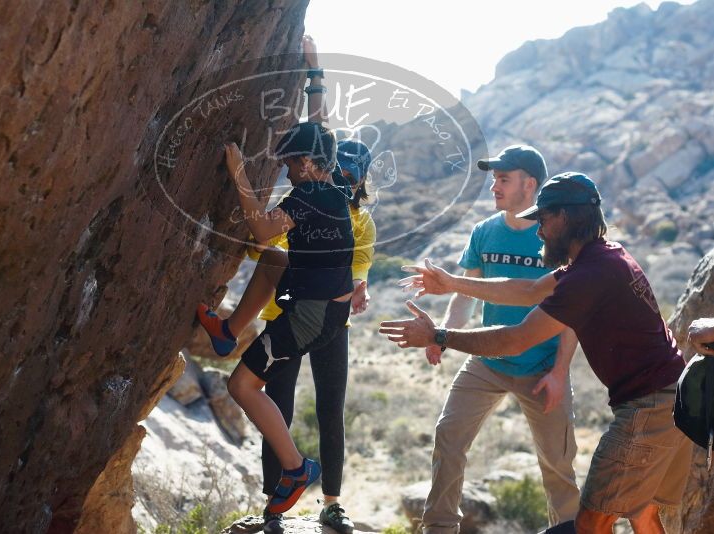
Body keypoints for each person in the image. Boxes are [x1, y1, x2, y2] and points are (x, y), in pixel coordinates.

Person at [380, 172, 693, 534]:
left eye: (543, 219)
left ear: (566, 217)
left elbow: (514, 340)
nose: (539, 231)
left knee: (589, 523)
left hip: (648, 410)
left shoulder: (589, 275)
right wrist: (451, 283)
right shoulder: (604, 257)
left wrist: (438, 335)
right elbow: (528, 290)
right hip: (672, 402)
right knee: (642, 514)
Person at [197, 37, 374, 532]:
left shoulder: (307, 198)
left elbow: (260, 227)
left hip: (309, 318)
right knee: (275, 261)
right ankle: (228, 330)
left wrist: (238, 174)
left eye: (293, 164)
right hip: (321, 310)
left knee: (242, 384)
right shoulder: (333, 183)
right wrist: (315, 72)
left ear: (311, 166)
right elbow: (318, 127)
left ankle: (296, 470)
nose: (288, 170)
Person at [416, 146, 580, 534]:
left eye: (503, 178)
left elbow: (574, 312)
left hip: (542, 366)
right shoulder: (484, 231)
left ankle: (571, 529)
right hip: (487, 361)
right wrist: (444, 335)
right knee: (449, 436)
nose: (494, 186)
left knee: (557, 463)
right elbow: (465, 292)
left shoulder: (556, 238)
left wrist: (559, 372)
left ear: (530, 184)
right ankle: (439, 528)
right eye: (494, 178)